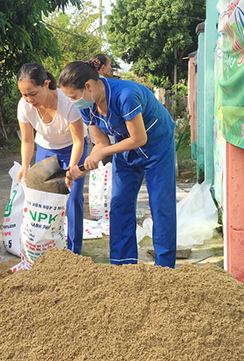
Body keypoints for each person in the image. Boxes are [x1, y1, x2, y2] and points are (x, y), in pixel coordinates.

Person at [59, 59, 176, 268]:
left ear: (88, 86)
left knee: (160, 206)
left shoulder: (126, 95)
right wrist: (81, 168)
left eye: (73, 97)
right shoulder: (87, 107)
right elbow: (101, 143)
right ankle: (123, 266)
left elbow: (139, 139)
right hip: (125, 146)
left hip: (157, 144)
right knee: (119, 204)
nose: (72, 102)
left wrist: (103, 152)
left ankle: (165, 269)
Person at [16, 63, 86, 254]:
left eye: (33, 93)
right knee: (43, 199)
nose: (29, 99)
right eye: (24, 94)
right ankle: (46, 251)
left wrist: (72, 169)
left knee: (72, 199)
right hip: (46, 149)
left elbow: (79, 140)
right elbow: (28, 141)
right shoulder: (24, 106)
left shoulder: (68, 103)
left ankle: (73, 252)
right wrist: (25, 166)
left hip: (73, 147)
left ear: (46, 84)